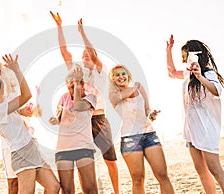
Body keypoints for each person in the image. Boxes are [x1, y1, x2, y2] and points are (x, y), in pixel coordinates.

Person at [50, 11, 119, 194]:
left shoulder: (98, 71)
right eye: (84, 54)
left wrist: (82, 33)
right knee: (81, 155)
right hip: (78, 119)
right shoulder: (76, 73)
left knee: (110, 159)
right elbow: (64, 52)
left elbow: (95, 54)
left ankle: (117, 190)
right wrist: (59, 26)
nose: (86, 55)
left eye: (88, 53)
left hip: (97, 117)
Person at [0, 53, 60, 194]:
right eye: (2, 89)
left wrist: (23, 111)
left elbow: (16, 110)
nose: (5, 92)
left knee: (53, 187)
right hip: (22, 153)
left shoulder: (2, 109)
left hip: (31, 149)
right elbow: (26, 95)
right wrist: (17, 69)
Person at [166, 34, 224, 193]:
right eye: (183, 56)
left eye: (186, 54)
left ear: (196, 54)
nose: (184, 58)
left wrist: (200, 76)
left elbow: (217, 90)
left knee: (215, 169)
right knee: (201, 171)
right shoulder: (187, 73)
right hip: (191, 131)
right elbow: (171, 72)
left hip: (206, 130)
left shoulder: (208, 73)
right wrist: (168, 50)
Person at [108, 65, 175, 194]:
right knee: (138, 180)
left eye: (123, 73)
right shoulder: (113, 95)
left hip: (149, 135)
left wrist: (152, 114)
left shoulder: (140, 89)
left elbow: (147, 110)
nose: (121, 76)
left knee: (162, 175)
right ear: (113, 80)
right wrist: (135, 87)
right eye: (117, 75)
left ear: (128, 75)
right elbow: (121, 96)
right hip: (130, 139)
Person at [0, 59, 41, 194]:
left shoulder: (18, 91)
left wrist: (28, 111)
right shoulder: (2, 96)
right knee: (13, 182)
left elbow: (34, 111)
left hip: (27, 139)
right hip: (11, 144)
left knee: (29, 181)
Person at [49, 65, 98, 194]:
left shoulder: (90, 98)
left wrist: (76, 83)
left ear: (82, 84)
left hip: (83, 147)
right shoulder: (64, 98)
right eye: (70, 86)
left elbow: (78, 105)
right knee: (67, 190)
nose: (72, 89)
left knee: (90, 189)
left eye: (76, 84)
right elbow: (58, 116)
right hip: (63, 148)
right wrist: (54, 119)